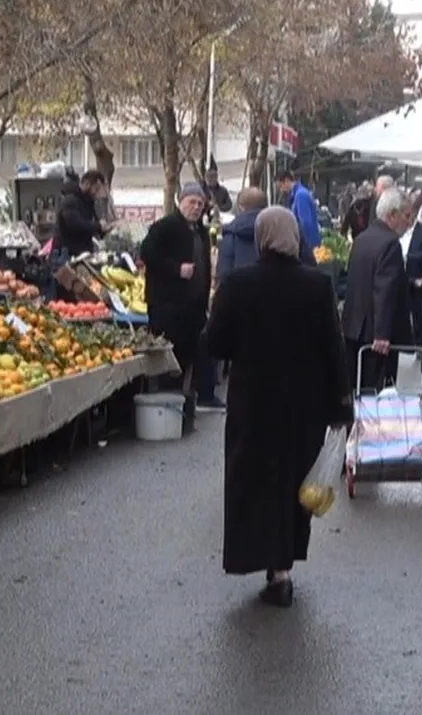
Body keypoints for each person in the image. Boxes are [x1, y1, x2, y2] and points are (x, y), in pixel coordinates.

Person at [206, 206, 352, 608]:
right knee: (292, 485)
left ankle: (259, 557)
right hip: (304, 408)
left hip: (253, 405)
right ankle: (282, 571)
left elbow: (214, 344)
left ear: (260, 237)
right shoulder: (317, 285)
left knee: (254, 483)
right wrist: (342, 405)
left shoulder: (238, 284)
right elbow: (333, 349)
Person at [140, 183, 212, 405]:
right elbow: (147, 253)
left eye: (200, 204)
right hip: (168, 305)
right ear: (181, 202)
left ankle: (190, 397)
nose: (196, 207)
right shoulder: (166, 226)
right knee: (171, 354)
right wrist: (176, 269)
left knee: (192, 352)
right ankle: (166, 399)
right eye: (192, 202)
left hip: (193, 305)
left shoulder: (200, 231)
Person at [340, 188, 413, 392]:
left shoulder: (362, 239)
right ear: (392, 215)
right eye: (406, 216)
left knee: (358, 390)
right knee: (379, 395)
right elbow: (384, 290)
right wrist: (382, 333)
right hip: (376, 335)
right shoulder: (390, 244)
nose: (410, 222)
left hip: (355, 328)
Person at [217, 188, 316, 288]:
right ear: (266, 205)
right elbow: (310, 265)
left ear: (240, 207)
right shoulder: (287, 228)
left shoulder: (231, 235)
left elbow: (223, 277)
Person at [401, 194, 422, 345]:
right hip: (399, 277)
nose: (407, 219)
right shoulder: (397, 229)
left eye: (409, 215)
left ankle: (420, 343)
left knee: (418, 312)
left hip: (415, 278)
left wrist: (408, 257)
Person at [55, 169, 110, 259]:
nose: (96, 193)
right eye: (96, 188)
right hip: (69, 254)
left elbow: (90, 224)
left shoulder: (88, 201)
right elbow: (74, 223)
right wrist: (98, 225)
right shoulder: (70, 199)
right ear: (87, 184)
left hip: (84, 253)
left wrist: (103, 230)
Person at [276, 170, 321, 250]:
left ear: (286, 181)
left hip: (307, 245)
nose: (281, 190)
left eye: (281, 186)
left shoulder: (300, 195)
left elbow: (305, 223)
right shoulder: (296, 195)